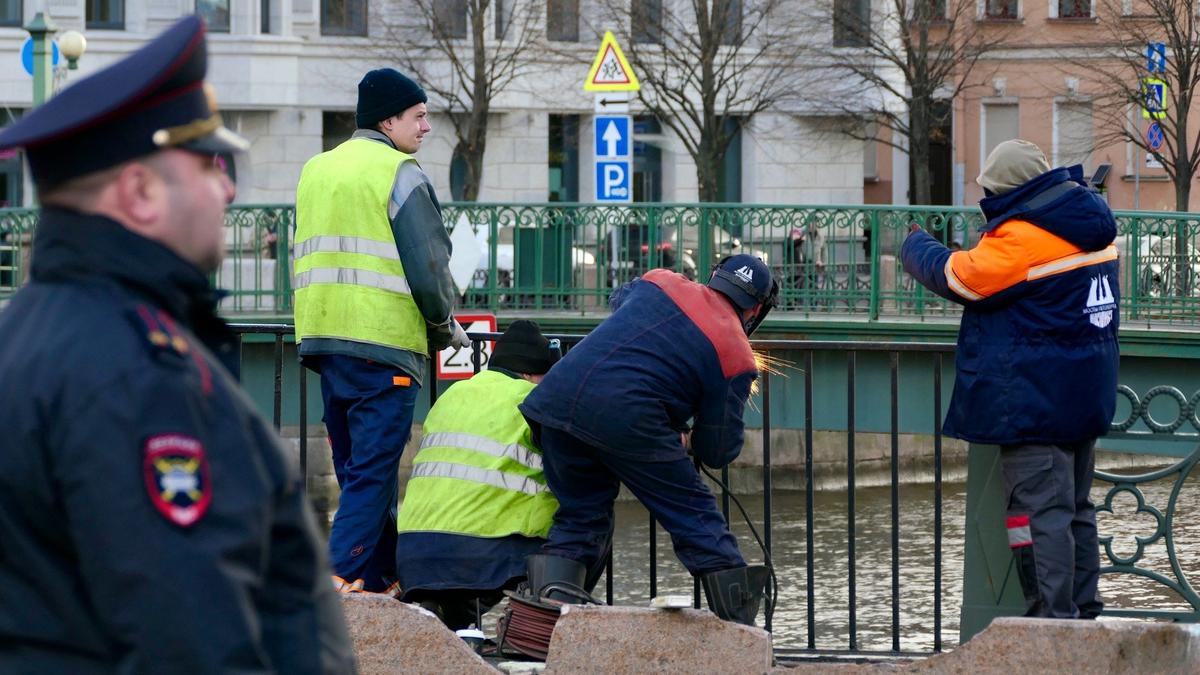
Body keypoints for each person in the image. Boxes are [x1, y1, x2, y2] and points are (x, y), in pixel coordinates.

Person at [0, 16, 355, 672]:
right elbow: (191, 640)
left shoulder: (30, 335)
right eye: (206, 162)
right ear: (139, 192)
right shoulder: (136, 373)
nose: (226, 187)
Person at [901, 139, 1118, 619]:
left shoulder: (1024, 237)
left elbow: (959, 277)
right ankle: (1083, 615)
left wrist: (916, 244)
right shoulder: (1087, 222)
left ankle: (1052, 626)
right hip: (1082, 396)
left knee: (1036, 517)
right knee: (1075, 512)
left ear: (1007, 190)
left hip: (1033, 402)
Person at [517, 254, 779, 626]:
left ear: (714, 276)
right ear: (755, 309)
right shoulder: (737, 354)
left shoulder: (662, 281)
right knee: (697, 518)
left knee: (579, 519)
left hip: (558, 402)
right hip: (627, 415)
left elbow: (623, 307)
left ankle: (544, 634)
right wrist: (687, 434)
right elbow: (717, 450)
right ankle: (742, 636)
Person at [294, 68, 470, 595]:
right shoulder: (400, 173)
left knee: (354, 469)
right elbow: (430, 267)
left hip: (324, 339)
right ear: (388, 120)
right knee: (372, 472)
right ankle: (336, 579)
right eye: (418, 117)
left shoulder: (316, 170)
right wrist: (443, 326)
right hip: (384, 345)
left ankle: (384, 579)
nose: (427, 128)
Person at [396, 320, 576, 630]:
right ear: (531, 373)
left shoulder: (452, 395)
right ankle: (542, 631)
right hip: (487, 553)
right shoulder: (534, 399)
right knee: (586, 519)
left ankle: (458, 634)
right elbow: (574, 470)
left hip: (413, 552)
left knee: (459, 615)